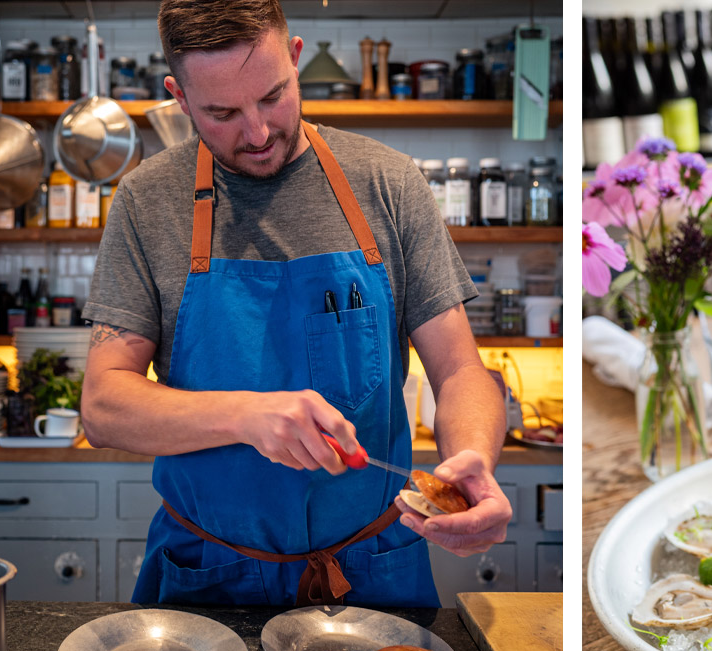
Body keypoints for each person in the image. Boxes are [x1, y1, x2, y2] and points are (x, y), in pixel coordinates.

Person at [80, 0, 510, 607]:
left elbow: (461, 369)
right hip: (209, 572)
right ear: (178, 96)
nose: (256, 133)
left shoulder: (388, 184)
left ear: (297, 58)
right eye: (222, 113)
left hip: (370, 569)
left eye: (273, 96)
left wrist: (472, 459)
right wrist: (244, 416)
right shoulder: (146, 201)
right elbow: (102, 406)